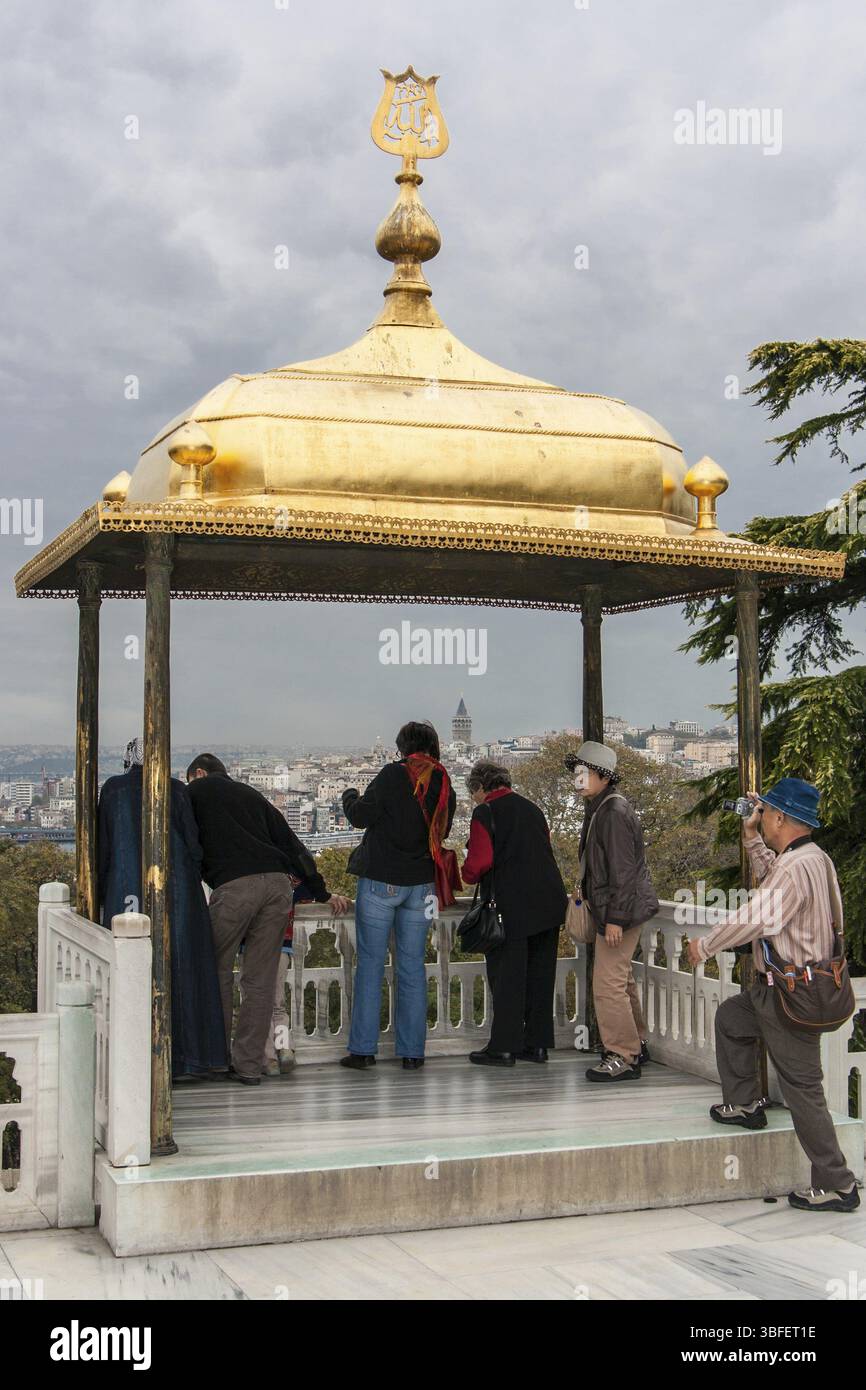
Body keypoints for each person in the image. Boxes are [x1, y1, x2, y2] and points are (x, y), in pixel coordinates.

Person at [686, 779, 860, 1214]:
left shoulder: (795, 868)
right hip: (782, 991)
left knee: (804, 1089)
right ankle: (744, 1104)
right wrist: (751, 839)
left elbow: (758, 916)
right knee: (731, 1018)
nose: (759, 815)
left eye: (764, 812)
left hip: (791, 995)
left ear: (780, 817)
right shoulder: (812, 859)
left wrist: (705, 946)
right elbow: (775, 883)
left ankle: (838, 1184)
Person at [186, 753, 350, 1085]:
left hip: (233, 887)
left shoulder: (194, 794)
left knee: (215, 971)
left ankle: (216, 1058)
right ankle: (248, 1065)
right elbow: (294, 846)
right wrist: (319, 892)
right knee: (260, 983)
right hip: (278, 887)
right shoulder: (252, 795)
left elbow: (187, 845)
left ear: (199, 773)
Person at [98, 737, 227, 1081]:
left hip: (125, 892)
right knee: (185, 966)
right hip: (179, 889)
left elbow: (104, 848)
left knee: (130, 970)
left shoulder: (113, 791)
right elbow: (193, 844)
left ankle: (134, 1061)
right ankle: (193, 1057)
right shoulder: (177, 790)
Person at [341, 720, 456, 1071]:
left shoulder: (394, 775)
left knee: (371, 966)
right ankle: (412, 1052)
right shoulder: (444, 781)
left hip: (381, 880)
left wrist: (349, 796)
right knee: (411, 968)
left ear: (404, 747)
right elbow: (444, 829)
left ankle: (363, 1050)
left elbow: (360, 817)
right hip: (421, 885)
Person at [461, 760, 567, 1067]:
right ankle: (537, 1045)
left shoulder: (486, 812)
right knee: (540, 976)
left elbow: (479, 863)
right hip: (548, 902)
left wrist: (464, 873)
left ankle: (504, 1047)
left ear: (481, 787)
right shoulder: (532, 808)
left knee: (507, 977)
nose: (475, 799)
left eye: (474, 792)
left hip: (511, 907)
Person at [568, 741, 659, 1083]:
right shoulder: (606, 808)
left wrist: (615, 919)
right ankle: (636, 1044)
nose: (578, 779)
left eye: (584, 773)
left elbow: (622, 873)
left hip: (619, 912)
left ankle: (622, 1054)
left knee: (607, 984)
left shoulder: (611, 813)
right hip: (620, 909)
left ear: (603, 777)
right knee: (620, 981)